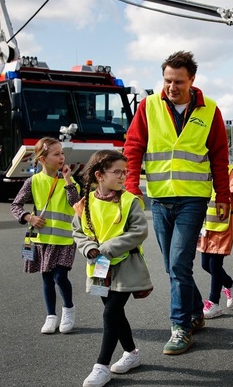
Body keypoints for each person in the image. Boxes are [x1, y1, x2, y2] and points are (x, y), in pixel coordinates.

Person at [123, 50, 231, 355]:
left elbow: (220, 156)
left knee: (180, 263)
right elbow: (133, 147)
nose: (172, 87)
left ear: (192, 80)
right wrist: (131, 187)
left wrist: (223, 195)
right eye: (168, 80)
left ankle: (180, 327)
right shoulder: (148, 106)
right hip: (159, 198)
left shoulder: (210, 110)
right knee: (174, 267)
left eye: (178, 81)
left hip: (193, 199)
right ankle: (196, 311)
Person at [72, 150, 153, 387]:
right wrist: (89, 249)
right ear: (99, 175)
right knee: (115, 314)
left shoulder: (130, 201)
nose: (123, 176)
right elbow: (78, 232)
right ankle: (131, 353)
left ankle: (102, 366)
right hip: (98, 268)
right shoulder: (86, 203)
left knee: (110, 314)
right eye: (117, 172)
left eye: (125, 172)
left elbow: (139, 232)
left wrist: (106, 248)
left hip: (126, 267)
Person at [10, 136, 79, 334]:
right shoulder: (34, 181)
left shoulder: (70, 181)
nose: (62, 157)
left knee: (59, 276)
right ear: (42, 159)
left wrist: (67, 180)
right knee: (47, 278)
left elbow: (74, 204)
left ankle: (68, 309)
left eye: (62, 153)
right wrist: (28, 218)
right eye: (56, 154)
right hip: (41, 240)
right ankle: (51, 316)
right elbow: (16, 205)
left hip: (65, 239)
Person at [198, 165, 233, 319]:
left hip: (222, 226)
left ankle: (214, 303)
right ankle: (231, 284)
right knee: (205, 264)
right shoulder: (203, 169)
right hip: (207, 226)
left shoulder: (231, 172)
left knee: (214, 265)